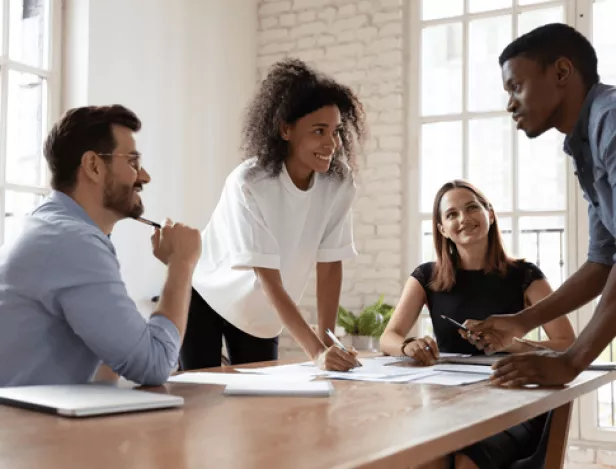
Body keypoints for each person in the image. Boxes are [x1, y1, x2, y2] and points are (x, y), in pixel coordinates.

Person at [182, 58, 366, 371]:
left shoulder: (338, 182)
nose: (331, 143)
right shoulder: (250, 184)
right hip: (206, 300)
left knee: (265, 409)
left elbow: (330, 263)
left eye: (335, 131)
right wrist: (316, 352)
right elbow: (268, 277)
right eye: (318, 131)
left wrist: (328, 340)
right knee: (201, 403)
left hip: (262, 317)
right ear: (286, 130)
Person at [0, 105, 202, 387]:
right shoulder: (72, 243)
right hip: (30, 428)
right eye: (132, 162)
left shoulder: (51, 227)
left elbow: (111, 363)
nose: (144, 176)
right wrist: (181, 263)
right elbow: (154, 365)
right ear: (94, 166)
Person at [380, 180, 575, 469]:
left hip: (512, 398)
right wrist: (409, 346)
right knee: (426, 459)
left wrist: (515, 345)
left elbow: (567, 343)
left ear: (490, 214)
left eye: (472, 208)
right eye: (451, 214)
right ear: (442, 229)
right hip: (447, 402)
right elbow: (389, 337)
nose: (464, 219)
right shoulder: (426, 276)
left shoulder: (525, 275)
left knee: (466, 463)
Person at [465, 23, 616, 387]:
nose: (509, 103)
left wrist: (571, 362)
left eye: (516, 86)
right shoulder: (585, 144)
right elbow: (602, 261)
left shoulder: (611, 120)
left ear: (562, 72)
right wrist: (522, 321)